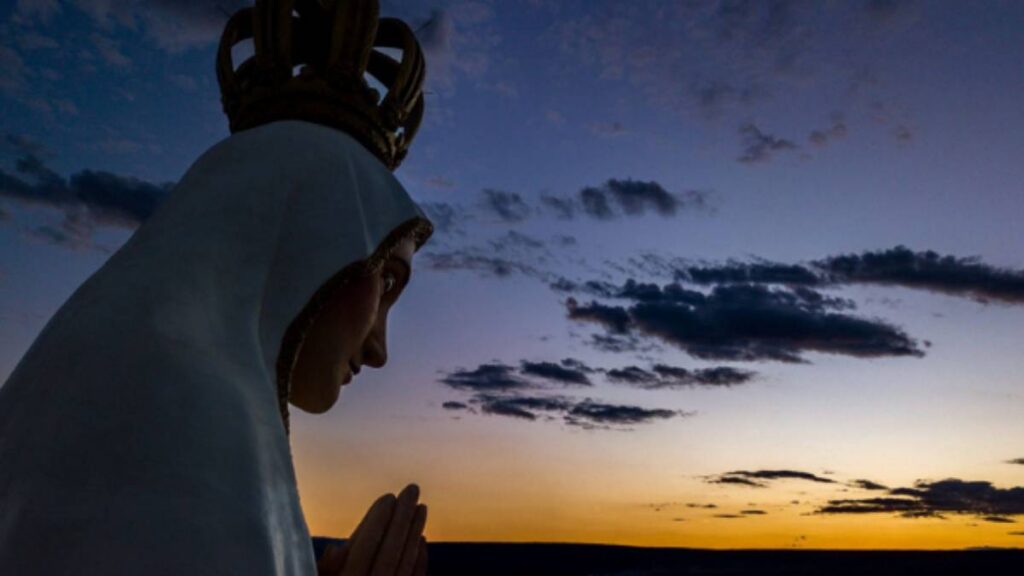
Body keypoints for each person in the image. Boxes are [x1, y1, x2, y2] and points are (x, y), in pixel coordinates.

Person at [0, 1, 434, 574]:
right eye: (386, 279)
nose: (379, 348)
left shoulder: (132, 392)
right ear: (309, 237)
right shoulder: (170, 431)